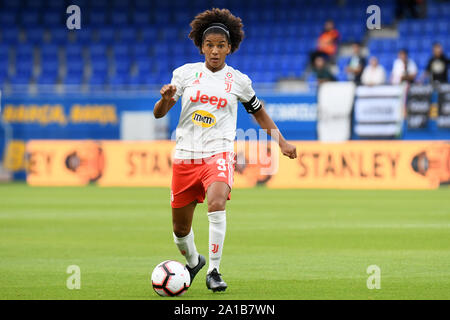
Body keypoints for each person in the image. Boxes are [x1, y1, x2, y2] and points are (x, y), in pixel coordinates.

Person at [152, 8, 297, 293]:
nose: (215, 51)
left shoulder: (239, 81)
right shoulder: (185, 74)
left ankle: (214, 271)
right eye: (210, 45)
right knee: (180, 231)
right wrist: (165, 100)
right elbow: (159, 113)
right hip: (185, 157)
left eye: (221, 46)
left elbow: (258, 113)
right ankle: (194, 262)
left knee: (217, 202)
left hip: (218, 153)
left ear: (230, 48)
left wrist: (281, 141)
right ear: (201, 47)